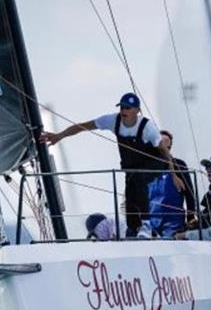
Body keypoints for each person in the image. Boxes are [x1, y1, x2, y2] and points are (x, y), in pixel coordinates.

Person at [40, 92, 184, 238]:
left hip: (157, 161)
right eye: (122, 107)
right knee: (130, 193)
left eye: (128, 108)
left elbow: (165, 151)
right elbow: (83, 126)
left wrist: (174, 176)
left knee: (138, 179)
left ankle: (146, 224)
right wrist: (59, 135)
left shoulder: (147, 127)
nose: (124, 111)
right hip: (134, 166)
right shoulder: (113, 121)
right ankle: (134, 229)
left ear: (137, 110)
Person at [147, 130, 197, 237]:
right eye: (161, 146)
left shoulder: (179, 164)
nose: (164, 150)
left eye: (167, 147)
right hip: (151, 221)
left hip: (174, 223)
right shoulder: (146, 166)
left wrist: (191, 217)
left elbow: (189, 193)